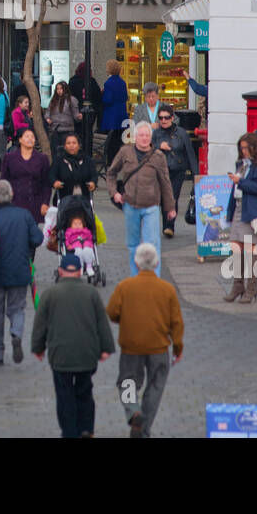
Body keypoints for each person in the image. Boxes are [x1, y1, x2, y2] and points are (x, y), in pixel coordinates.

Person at [31, 253, 116, 438]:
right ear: (79, 272)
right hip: (87, 354)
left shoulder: (49, 294)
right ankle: (86, 428)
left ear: (60, 271)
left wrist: (38, 348)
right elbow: (102, 322)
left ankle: (69, 431)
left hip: (60, 355)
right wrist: (106, 348)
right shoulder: (91, 293)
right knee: (85, 391)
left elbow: (40, 325)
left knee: (64, 395)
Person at [107, 243, 184, 438]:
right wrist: (177, 347)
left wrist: (125, 320)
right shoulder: (167, 290)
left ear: (136, 262)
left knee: (127, 382)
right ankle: (145, 427)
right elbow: (176, 322)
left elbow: (112, 312)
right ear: (156, 262)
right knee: (156, 386)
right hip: (159, 347)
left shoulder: (124, 287)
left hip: (131, 346)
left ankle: (133, 411)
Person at [106, 121, 176, 277]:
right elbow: (110, 173)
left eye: (147, 135)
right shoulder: (125, 152)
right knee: (132, 245)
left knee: (152, 245)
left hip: (151, 206)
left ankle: (154, 278)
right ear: (135, 137)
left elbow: (165, 182)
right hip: (130, 205)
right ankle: (135, 277)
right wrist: (114, 193)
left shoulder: (158, 156)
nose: (144, 138)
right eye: (141, 135)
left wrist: (170, 208)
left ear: (151, 138)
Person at [0, 179, 43, 365]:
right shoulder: (24, 215)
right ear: (11, 195)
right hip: (19, 270)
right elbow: (37, 238)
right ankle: (16, 333)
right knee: (17, 307)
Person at [224, 133, 257, 303]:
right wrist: (229, 212)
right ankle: (238, 285)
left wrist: (240, 181)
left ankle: (252, 288)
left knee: (250, 248)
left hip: (251, 209)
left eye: (246, 148)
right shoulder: (241, 164)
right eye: (241, 148)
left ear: (255, 147)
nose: (243, 151)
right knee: (235, 246)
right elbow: (235, 190)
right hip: (239, 207)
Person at [153, 103, 200, 239]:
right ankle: (166, 225)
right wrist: (158, 146)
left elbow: (190, 154)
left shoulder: (181, 133)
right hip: (161, 171)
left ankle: (170, 226)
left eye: (166, 117)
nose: (163, 121)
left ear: (172, 118)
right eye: (160, 118)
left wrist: (195, 175)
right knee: (163, 199)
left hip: (177, 170)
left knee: (173, 198)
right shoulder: (156, 134)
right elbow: (147, 150)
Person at [0, 128, 52, 225]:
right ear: (20, 139)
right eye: (27, 136)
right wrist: (3, 203)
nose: (30, 139)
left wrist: (45, 203)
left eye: (32, 137)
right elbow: (3, 181)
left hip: (35, 202)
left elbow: (46, 184)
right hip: (15, 202)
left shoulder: (42, 158)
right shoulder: (9, 158)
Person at [51, 131, 97, 202]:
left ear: (79, 145)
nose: (71, 146)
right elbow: (52, 175)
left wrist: (93, 183)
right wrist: (55, 182)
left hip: (84, 199)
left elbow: (94, 175)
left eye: (74, 143)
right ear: (65, 146)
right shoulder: (58, 160)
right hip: (63, 198)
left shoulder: (87, 160)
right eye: (68, 143)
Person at [101, 59, 129, 167]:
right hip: (121, 113)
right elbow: (125, 97)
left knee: (111, 141)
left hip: (111, 115)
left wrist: (102, 94)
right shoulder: (122, 82)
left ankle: (111, 161)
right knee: (119, 140)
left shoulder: (108, 83)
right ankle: (120, 160)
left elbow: (108, 100)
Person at [68, 61, 102, 143]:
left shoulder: (73, 81)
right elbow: (98, 99)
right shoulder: (92, 82)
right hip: (90, 113)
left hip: (76, 112)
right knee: (87, 135)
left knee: (77, 134)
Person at [44, 81, 80, 153]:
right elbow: (48, 112)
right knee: (55, 151)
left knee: (65, 151)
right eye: (57, 89)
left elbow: (75, 115)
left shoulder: (71, 100)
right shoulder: (53, 100)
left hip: (67, 129)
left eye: (61, 89)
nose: (59, 91)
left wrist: (78, 117)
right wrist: (47, 118)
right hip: (55, 129)